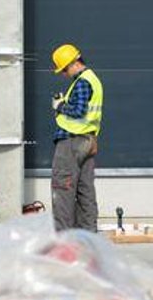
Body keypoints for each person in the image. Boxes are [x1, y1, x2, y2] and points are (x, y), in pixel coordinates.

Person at [49, 43, 103, 232]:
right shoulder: (92, 79)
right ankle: (88, 237)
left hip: (71, 142)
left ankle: (63, 238)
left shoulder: (82, 82)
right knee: (85, 191)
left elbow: (79, 111)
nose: (63, 74)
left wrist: (59, 106)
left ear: (73, 63)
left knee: (63, 188)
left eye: (64, 70)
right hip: (88, 141)